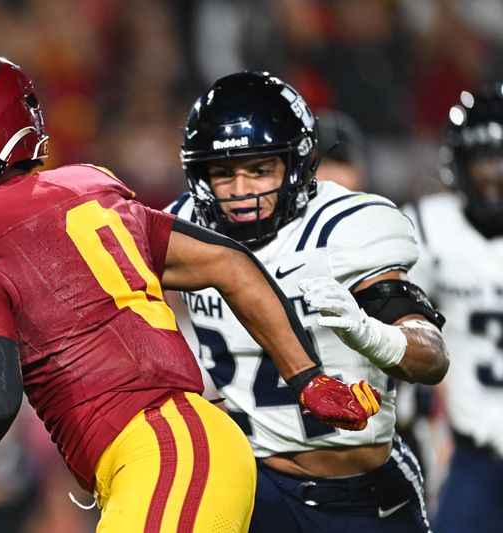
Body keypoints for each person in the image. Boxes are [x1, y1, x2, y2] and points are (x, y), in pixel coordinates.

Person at [0, 52, 382, 532]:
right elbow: (229, 261)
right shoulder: (86, 186)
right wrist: (307, 379)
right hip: (184, 451)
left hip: (165, 453)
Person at [166, 71, 449, 532]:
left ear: (295, 164)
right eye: (223, 173)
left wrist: (369, 333)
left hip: (357, 490)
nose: (240, 191)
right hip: (248, 485)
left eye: (259, 170)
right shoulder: (181, 226)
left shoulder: (348, 227)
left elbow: (430, 358)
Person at [403, 84, 503, 533]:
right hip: (472, 456)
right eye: (485, 159)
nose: (495, 174)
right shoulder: (428, 228)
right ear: (459, 165)